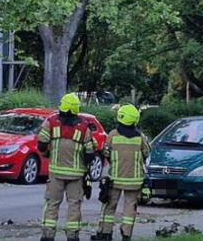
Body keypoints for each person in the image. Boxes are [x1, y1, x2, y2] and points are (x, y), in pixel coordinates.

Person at [38, 93, 96, 241]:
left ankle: (48, 236)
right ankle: (72, 236)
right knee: (74, 205)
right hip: (76, 175)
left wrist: (48, 155)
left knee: (52, 204)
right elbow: (90, 153)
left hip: (56, 172)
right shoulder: (84, 127)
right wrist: (85, 165)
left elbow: (41, 144)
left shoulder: (51, 121)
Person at [92, 105, 151, 241]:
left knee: (109, 206)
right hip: (134, 181)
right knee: (130, 208)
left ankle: (105, 234)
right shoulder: (140, 137)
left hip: (115, 179)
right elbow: (147, 153)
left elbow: (105, 152)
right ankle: (126, 235)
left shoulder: (112, 134)